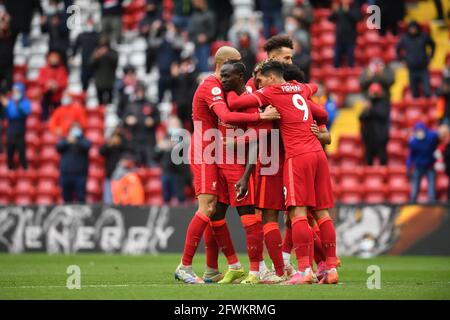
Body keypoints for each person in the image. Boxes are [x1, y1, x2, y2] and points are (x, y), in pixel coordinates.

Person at [174, 46, 280, 284]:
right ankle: (185, 266)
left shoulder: (228, 89)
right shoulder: (211, 86)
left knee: (215, 211)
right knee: (207, 207)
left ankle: (218, 268)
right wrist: (261, 117)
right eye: (235, 65)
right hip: (206, 150)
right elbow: (228, 116)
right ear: (225, 64)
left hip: (220, 151)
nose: (238, 70)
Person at [228, 60, 339, 285]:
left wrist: (228, 87)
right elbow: (314, 89)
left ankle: (305, 270)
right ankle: (330, 268)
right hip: (318, 153)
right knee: (322, 214)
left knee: (297, 213)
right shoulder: (301, 87)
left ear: (270, 78)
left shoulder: (270, 92)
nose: (258, 85)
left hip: (297, 156)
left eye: (260, 80)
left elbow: (238, 104)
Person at [122, 82, 160, 167]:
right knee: (136, 165)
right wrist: (128, 120)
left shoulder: (151, 104)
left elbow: (158, 119)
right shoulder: (130, 105)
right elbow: (123, 120)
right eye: (138, 91)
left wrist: (153, 121)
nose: (140, 93)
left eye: (141, 91)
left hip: (149, 139)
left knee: (150, 163)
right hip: (135, 139)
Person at [396, 21, 435, 98]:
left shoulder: (423, 36)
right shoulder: (405, 38)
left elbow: (433, 45)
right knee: (414, 94)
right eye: (411, 28)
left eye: (414, 28)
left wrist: (431, 56)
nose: (413, 30)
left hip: (423, 67)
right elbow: (397, 49)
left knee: (427, 92)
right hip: (412, 68)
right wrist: (402, 60)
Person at [155, 116, 189, 204]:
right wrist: (159, 148)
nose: (174, 126)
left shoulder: (185, 137)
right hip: (167, 171)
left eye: (176, 124)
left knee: (180, 197)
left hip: (179, 172)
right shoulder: (165, 137)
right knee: (166, 197)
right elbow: (155, 156)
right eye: (172, 124)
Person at [56, 123, 92, 203]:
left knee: (81, 197)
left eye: (77, 128)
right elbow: (58, 147)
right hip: (66, 174)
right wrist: (67, 141)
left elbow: (87, 146)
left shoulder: (84, 140)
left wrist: (77, 141)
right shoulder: (65, 140)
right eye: (73, 129)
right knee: (66, 198)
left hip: (80, 174)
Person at [0, 83, 31, 170]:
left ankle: (25, 169)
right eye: (14, 91)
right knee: (10, 152)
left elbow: (25, 113)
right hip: (11, 130)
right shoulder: (9, 103)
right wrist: (4, 106)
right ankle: (10, 168)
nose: (15, 93)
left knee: (22, 152)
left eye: (17, 91)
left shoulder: (25, 102)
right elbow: (6, 115)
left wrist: (17, 105)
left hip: (20, 131)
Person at [359, 83, 390, 166]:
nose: (374, 94)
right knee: (368, 160)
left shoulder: (384, 102)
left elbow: (383, 115)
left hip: (380, 136)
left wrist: (371, 108)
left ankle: (384, 177)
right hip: (369, 137)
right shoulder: (368, 103)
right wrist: (366, 109)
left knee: (382, 159)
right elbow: (361, 117)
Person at [407, 122, 439, 203]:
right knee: (415, 185)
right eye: (417, 130)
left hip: (430, 166)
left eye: (421, 130)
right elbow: (411, 155)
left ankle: (432, 200)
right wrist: (408, 166)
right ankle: (413, 200)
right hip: (418, 166)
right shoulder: (413, 142)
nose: (419, 132)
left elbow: (437, 134)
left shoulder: (430, 138)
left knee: (431, 185)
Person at [71, 16, 101, 91]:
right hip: (85, 63)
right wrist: (73, 57)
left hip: (96, 64)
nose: (89, 24)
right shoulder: (81, 35)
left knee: (98, 86)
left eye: (91, 22)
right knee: (84, 85)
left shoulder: (98, 35)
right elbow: (75, 47)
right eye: (88, 22)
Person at [99, 127, 128, 204]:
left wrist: (120, 143)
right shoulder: (110, 141)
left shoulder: (124, 141)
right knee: (109, 196)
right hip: (109, 172)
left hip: (121, 174)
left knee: (120, 195)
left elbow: (129, 151)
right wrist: (109, 144)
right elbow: (101, 152)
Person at [328, 0, 361, 68]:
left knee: (350, 61)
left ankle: (351, 76)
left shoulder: (354, 8)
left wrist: (348, 11)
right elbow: (330, 18)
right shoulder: (339, 9)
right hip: (339, 39)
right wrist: (335, 11)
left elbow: (358, 18)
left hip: (350, 39)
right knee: (336, 61)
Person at [37, 51, 68, 121]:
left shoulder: (62, 70)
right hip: (46, 94)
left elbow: (64, 83)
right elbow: (40, 80)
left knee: (58, 115)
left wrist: (56, 85)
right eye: (52, 58)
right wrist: (48, 83)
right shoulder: (44, 69)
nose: (54, 60)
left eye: (55, 58)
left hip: (57, 96)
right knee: (44, 114)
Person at [171, 56, 199, 131]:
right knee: (181, 126)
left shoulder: (193, 75)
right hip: (181, 105)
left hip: (191, 104)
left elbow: (194, 84)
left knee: (193, 124)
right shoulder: (178, 77)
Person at [89, 37, 119, 105]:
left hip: (110, 81)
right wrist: (96, 56)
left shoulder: (112, 52)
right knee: (100, 103)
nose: (103, 47)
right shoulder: (96, 52)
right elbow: (90, 64)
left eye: (104, 45)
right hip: (99, 82)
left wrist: (107, 54)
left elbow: (115, 61)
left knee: (110, 102)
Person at [188, 0, 215, 73]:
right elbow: (190, 31)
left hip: (205, 46)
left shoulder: (209, 15)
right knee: (195, 68)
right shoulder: (193, 15)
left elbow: (213, 31)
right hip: (194, 44)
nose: (195, 3)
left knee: (205, 68)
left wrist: (206, 37)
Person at [0, 7, 14, 93]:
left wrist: (6, 18)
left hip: (8, 67)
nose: (3, 24)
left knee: (9, 91)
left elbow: (13, 26)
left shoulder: (10, 36)